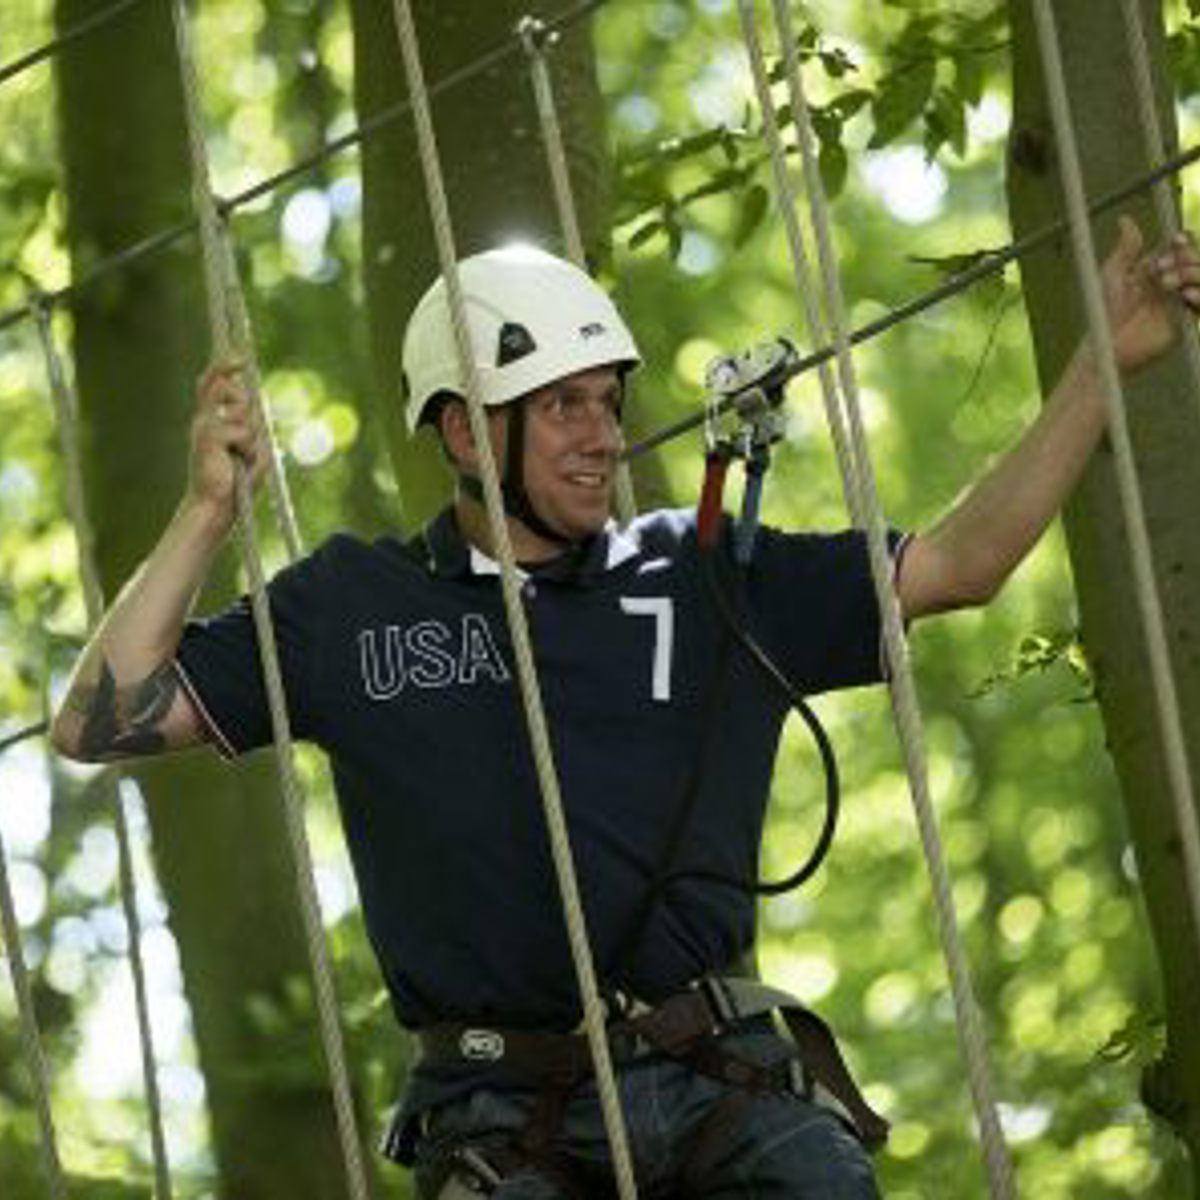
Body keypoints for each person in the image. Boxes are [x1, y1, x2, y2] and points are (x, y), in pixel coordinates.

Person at [52, 220, 1200, 1198]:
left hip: (722, 1083)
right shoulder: (350, 607)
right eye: (560, 408)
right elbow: (97, 724)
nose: (602, 435)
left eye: (605, 402)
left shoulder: (704, 575)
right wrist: (207, 512)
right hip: (500, 1114)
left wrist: (1102, 368)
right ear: (463, 431)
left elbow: (959, 564)